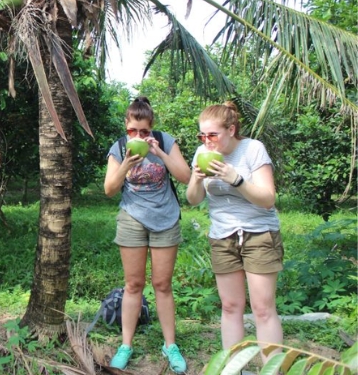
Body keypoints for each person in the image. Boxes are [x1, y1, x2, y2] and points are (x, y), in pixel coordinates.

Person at [186, 101, 283, 362]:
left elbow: (268, 199)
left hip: (259, 234)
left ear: (230, 129)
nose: (207, 141)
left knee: (263, 309)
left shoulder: (252, 150)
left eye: (212, 135)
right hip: (222, 236)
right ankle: (233, 367)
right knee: (230, 307)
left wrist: (235, 179)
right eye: (202, 135)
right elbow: (193, 199)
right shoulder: (201, 153)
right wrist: (196, 178)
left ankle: (271, 369)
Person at [103, 96, 191, 373]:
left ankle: (170, 345)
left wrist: (160, 153)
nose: (138, 136)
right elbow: (109, 189)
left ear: (151, 128)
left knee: (163, 284)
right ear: (126, 127)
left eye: (144, 131)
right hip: (132, 219)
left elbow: (186, 176)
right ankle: (126, 345)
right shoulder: (119, 148)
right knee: (133, 285)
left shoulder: (165, 141)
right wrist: (127, 164)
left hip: (165, 218)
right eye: (133, 131)